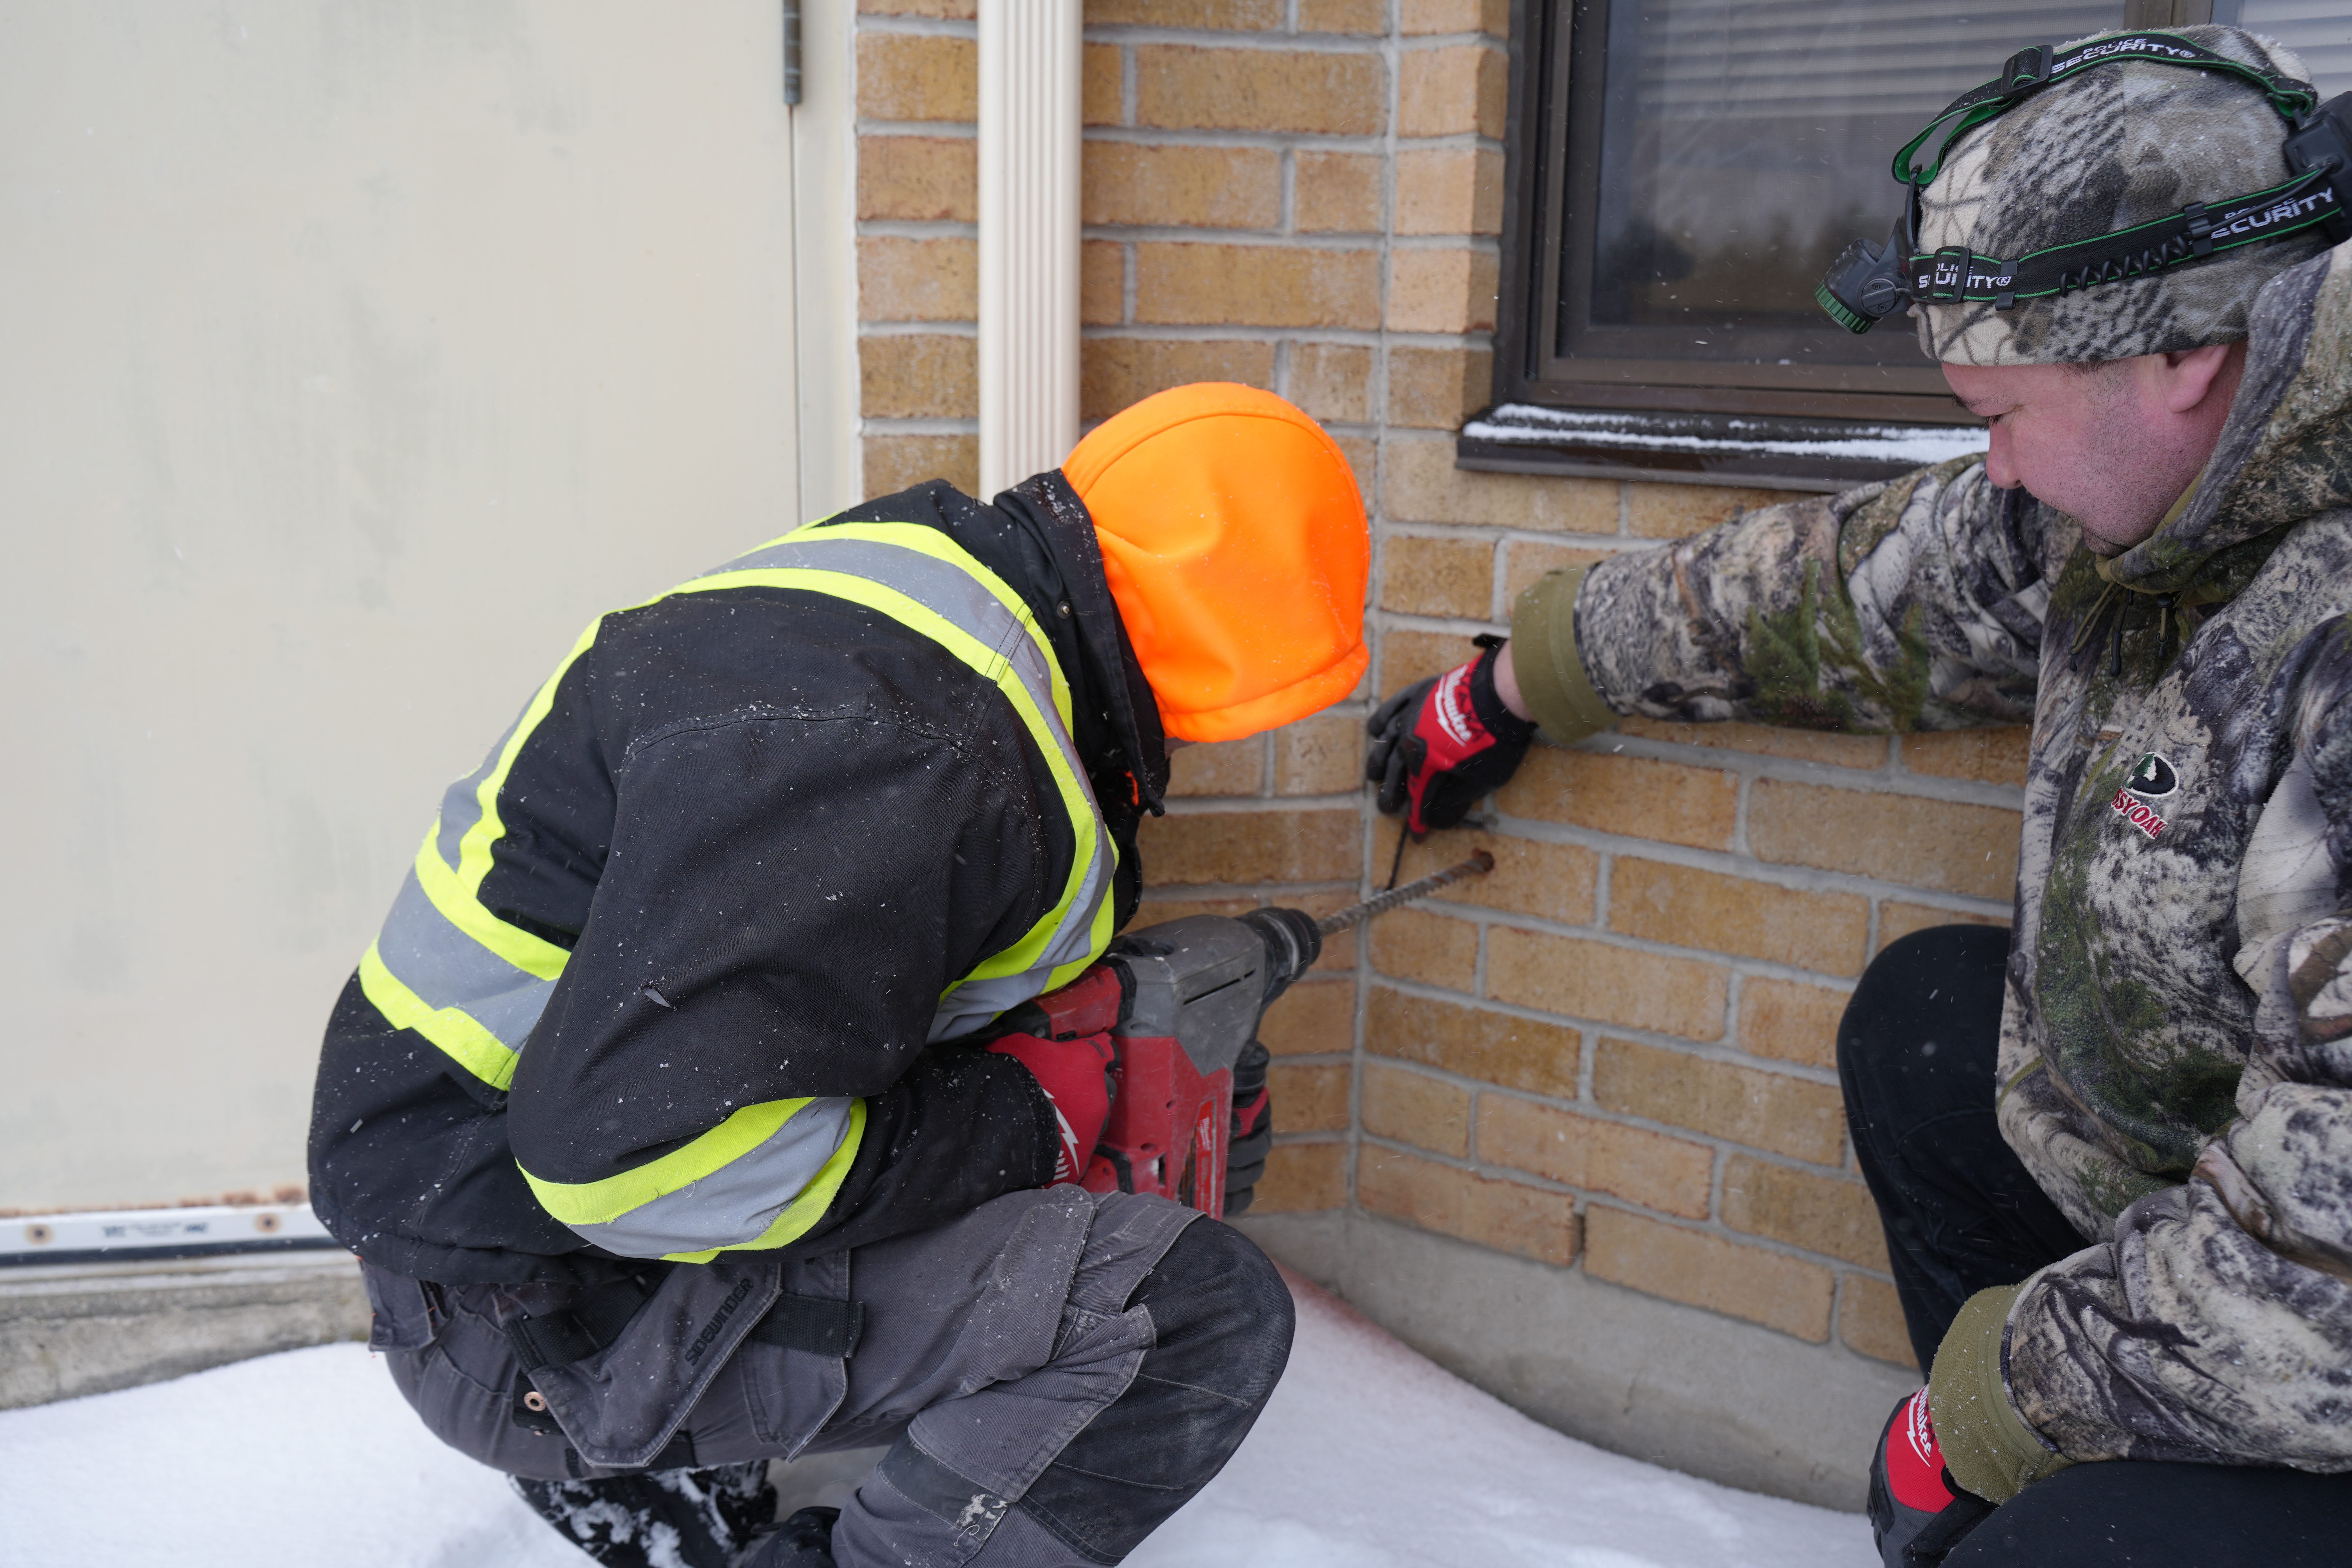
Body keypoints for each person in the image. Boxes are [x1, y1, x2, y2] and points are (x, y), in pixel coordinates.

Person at [1367, 24, 2352, 1566]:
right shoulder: (2145, 497)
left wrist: (1986, 1406)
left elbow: (2330, 1256)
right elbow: (1846, 590)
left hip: (2324, 1340)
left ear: (2182, 356)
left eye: (1998, 415)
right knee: (1933, 1026)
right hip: (2205, 1193)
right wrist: (1516, 680)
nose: (1996, 469)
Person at [307, 382, 1371, 1568]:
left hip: (465, 1185)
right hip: (530, 1311)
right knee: (1186, 1315)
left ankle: (699, 1457)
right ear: (1224, 657)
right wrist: (1021, 1126)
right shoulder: (918, 764)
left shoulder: (919, 591)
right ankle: (666, 1449)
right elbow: (634, 1163)